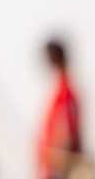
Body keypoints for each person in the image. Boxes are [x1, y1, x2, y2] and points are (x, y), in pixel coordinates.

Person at [38, 38, 83, 179]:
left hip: (61, 170)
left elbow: (68, 131)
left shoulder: (66, 90)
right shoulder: (61, 87)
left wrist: (60, 169)